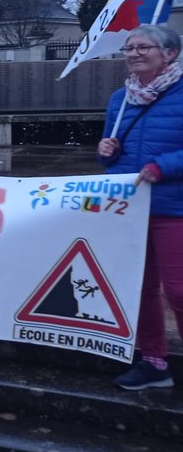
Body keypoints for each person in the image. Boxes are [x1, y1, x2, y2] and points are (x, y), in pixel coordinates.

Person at [97, 23, 183, 391]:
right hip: (131, 208)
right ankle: (153, 362)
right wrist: (105, 153)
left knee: (178, 291)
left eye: (143, 48)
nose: (133, 54)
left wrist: (162, 167)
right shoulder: (121, 98)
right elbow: (113, 152)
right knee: (141, 288)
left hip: (174, 206)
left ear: (169, 54)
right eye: (129, 48)